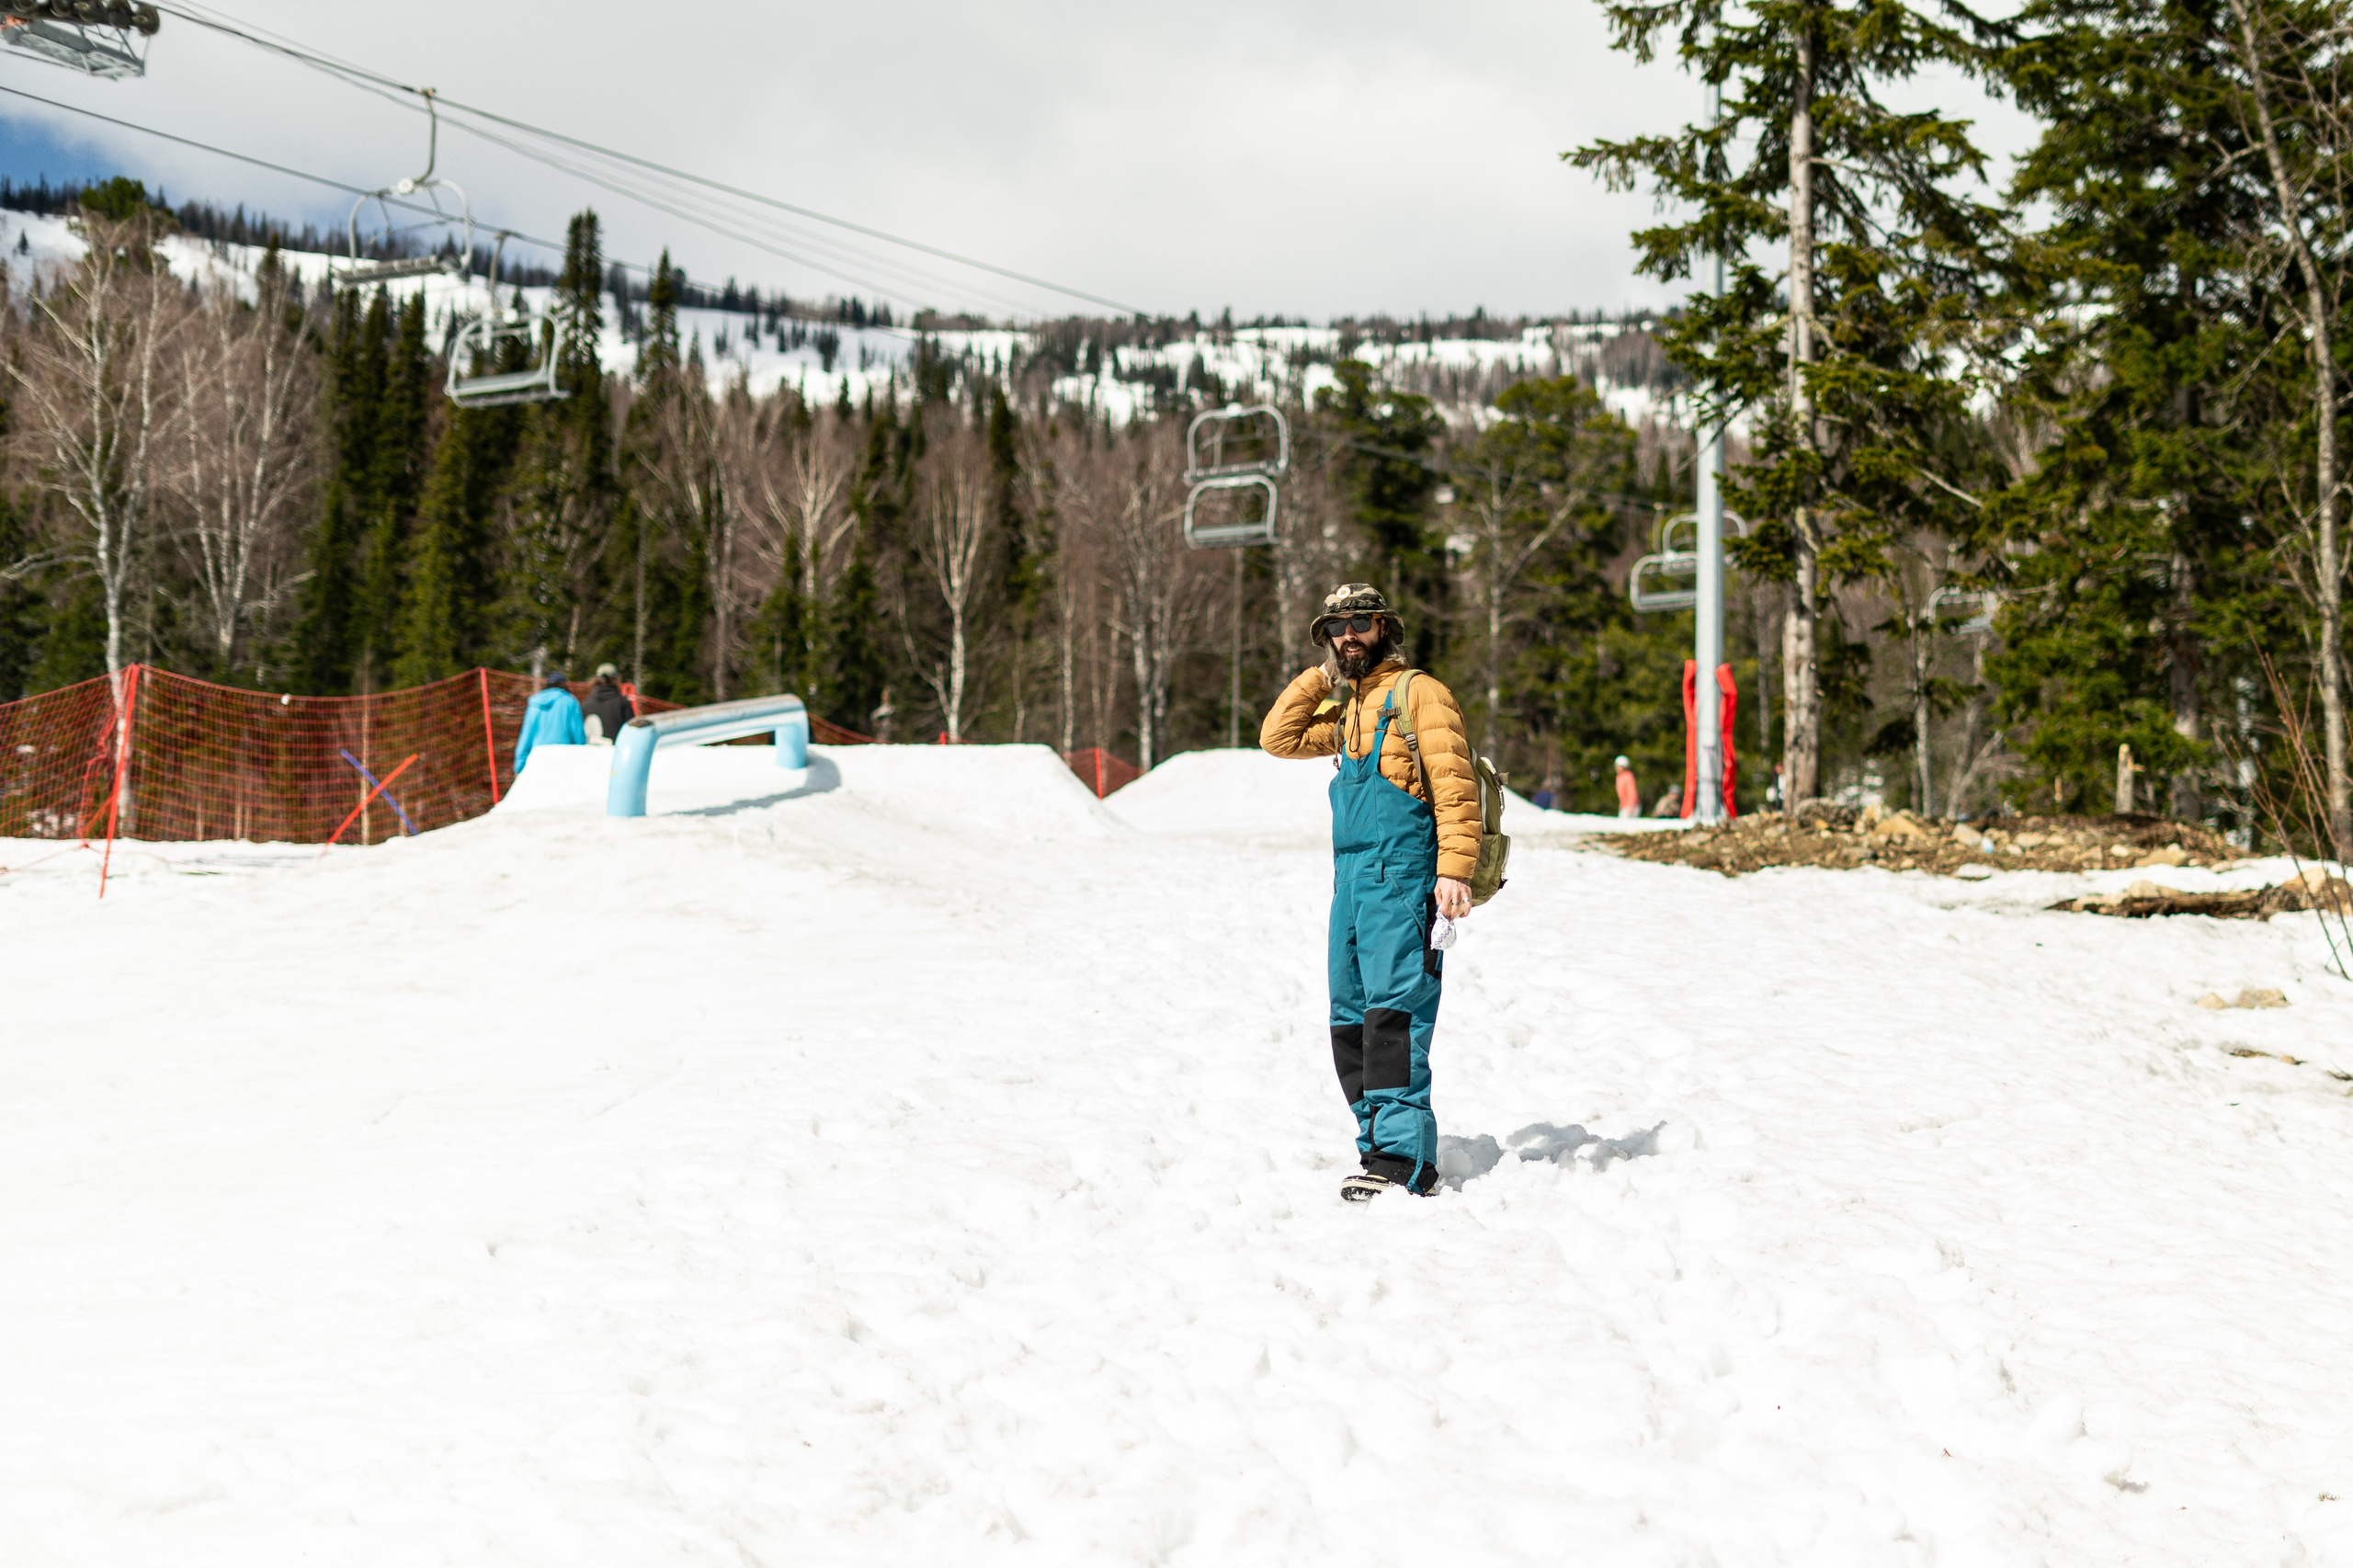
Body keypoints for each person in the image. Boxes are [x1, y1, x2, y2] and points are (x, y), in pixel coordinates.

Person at [1261, 584, 1479, 1202]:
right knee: (1349, 1019)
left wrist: (1455, 870)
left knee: (1394, 1014)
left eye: (1359, 621)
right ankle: (1375, 1143)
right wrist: (1323, 677)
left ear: (1385, 625)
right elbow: (1278, 737)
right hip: (1351, 884)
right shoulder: (1352, 707)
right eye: (1335, 626)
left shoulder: (1419, 695)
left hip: (1404, 878)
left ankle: (1405, 1158)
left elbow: (1455, 786)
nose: (1348, 633)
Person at [514, 671, 585, 773]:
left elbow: (526, 735)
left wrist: (519, 764)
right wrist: (582, 758)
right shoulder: (570, 701)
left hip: (538, 758)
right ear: (564, 684)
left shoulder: (534, 703)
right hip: (564, 759)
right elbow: (578, 734)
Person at [584, 663, 633, 745]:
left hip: (591, 753)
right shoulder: (622, 702)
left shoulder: (587, 702)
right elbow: (631, 732)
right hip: (614, 753)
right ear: (615, 679)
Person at [1614, 756, 1641, 820]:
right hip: (1624, 806)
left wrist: (1630, 807)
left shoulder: (1628, 777)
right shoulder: (1619, 777)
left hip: (1630, 806)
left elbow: (1631, 792)